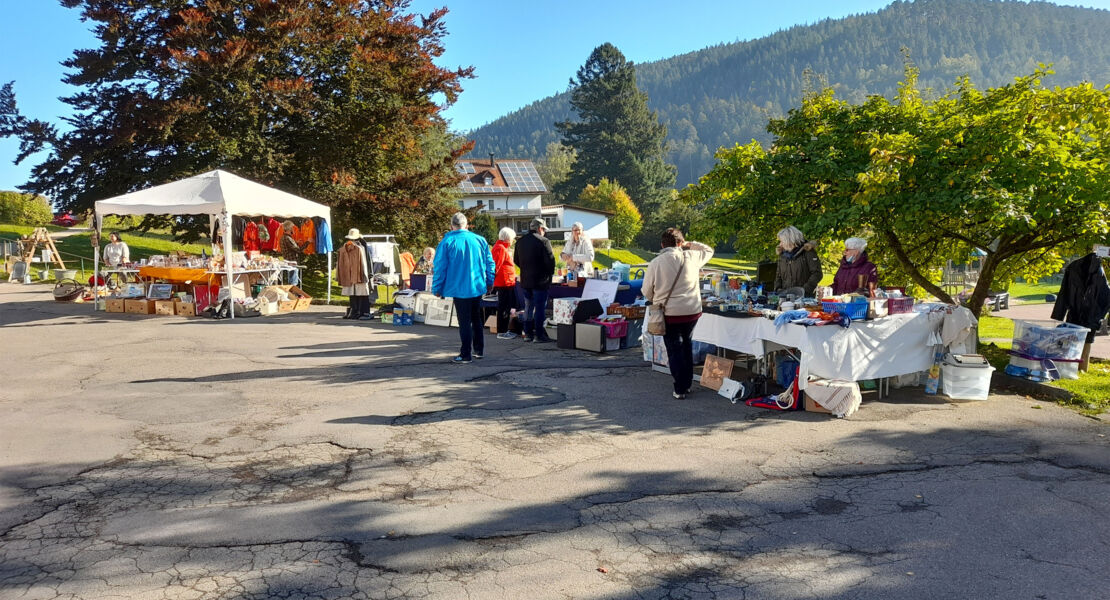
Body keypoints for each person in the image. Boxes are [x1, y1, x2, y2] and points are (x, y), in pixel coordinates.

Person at [642, 228, 714, 399]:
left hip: (669, 313)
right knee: (687, 345)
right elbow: (708, 250)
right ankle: (686, 383)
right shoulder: (692, 257)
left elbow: (646, 291)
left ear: (662, 245)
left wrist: (656, 298)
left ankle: (680, 387)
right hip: (691, 311)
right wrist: (690, 244)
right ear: (680, 243)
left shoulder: (656, 263)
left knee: (674, 350)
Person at [432, 212, 495, 363]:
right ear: (466, 225)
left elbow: (440, 267)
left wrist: (437, 288)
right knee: (476, 318)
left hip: (459, 288)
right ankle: (478, 350)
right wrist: (490, 281)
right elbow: (489, 263)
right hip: (477, 285)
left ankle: (465, 354)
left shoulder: (447, 242)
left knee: (464, 321)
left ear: (451, 225)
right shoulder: (480, 240)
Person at [513, 218, 556, 343]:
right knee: (540, 308)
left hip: (526, 280)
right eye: (544, 230)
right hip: (541, 280)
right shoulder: (543, 241)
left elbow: (516, 260)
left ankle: (527, 333)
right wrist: (549, 274)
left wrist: (526, 268)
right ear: (540, 228)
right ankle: (539, 334)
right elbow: (550, 261)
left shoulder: (520, 242)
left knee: (528, 307)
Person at [773, 225, 822, 297]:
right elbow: (778, 275)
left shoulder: (808, 252)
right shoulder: (782, 255)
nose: (780, 244)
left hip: (805, 298)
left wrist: (804, 290)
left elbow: (817, 273)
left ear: (790, 240)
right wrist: (778, 290)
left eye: (782, 241)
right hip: (785, 298)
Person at [338, 228, 372, 320]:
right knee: (359, 293)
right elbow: (366, 263)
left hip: (352, 274)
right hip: (357, 274)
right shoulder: (345, 249)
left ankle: (356, 311)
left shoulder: (359, 247)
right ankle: (358, 311)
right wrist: (367, 275)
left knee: (355, 293)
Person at [491, 227, 519, 339]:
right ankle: (502, 331)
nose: (513, 241)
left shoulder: (501, 247)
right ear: (508, 238)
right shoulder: (500, 248)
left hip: (506, 281)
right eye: (512, 238)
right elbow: (496, 266)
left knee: (505, 307)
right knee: (504, 307)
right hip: (504, 282)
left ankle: (503, 330)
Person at [280, 220, 302, 286]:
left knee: (291, 280)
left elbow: (289, 247)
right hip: (292, 262)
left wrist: (296, 242)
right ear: (289, 228)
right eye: (292, 228)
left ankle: (291, 294)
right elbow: (298, 250)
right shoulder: (288, 238)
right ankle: (292, 295)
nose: (293, 229)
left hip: (289, 261)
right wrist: (308, 242)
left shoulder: (283, 237)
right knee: (293, 282)